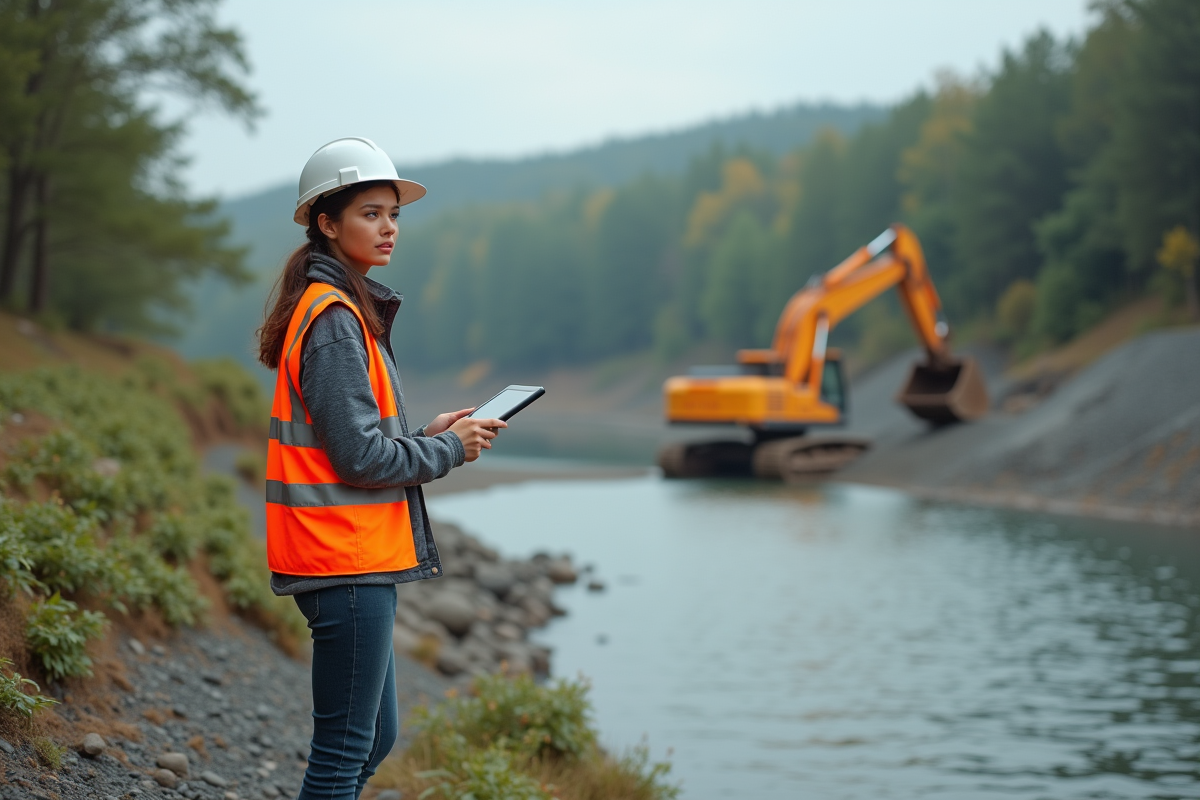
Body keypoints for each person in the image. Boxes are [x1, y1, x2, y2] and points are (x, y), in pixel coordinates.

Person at [256, 137, 506, 800]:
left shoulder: (343, 310)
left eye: (393, 213)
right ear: (327, 224)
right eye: (371, 212)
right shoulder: (335, 319)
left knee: (374, 740)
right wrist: (452, 451)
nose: (389, 226)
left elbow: (356, 441)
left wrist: (426, 436)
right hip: (343, 560)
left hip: (348, 559)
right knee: (341, 755)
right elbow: (362, 457)